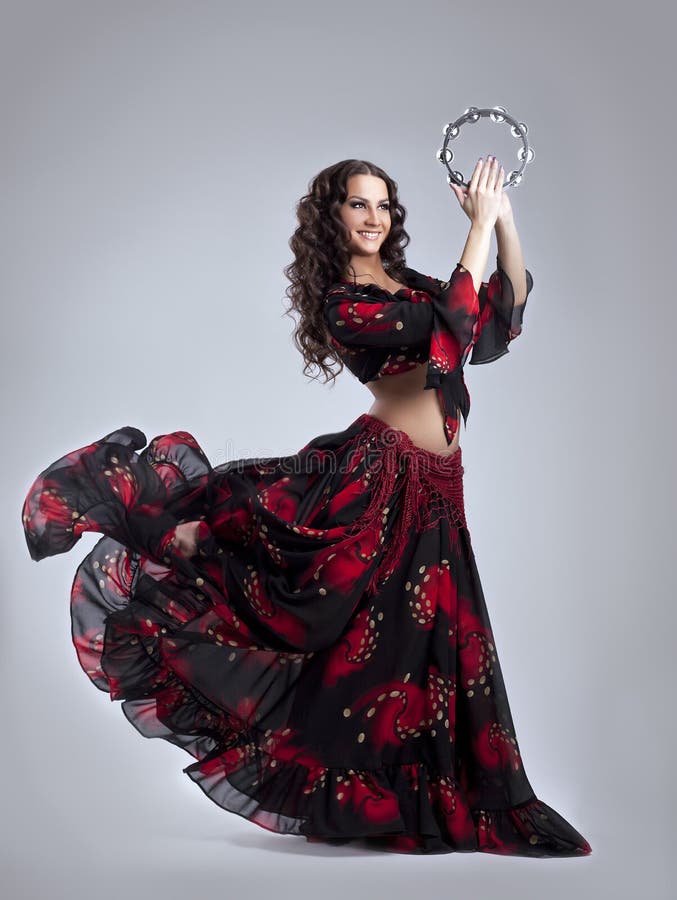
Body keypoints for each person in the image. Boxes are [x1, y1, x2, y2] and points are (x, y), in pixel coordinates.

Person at [20, 157, 592, 857]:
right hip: (378, 478)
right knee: (342, 620)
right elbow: (448, 330)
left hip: (439, 484)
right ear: (333, 217)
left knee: (426, 644)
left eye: (383, 205)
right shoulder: (343, 301)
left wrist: (501, 219)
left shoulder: (407, 283)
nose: (374, 218)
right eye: (358, 205)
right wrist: (473, 229)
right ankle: (193, 540)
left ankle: (413, 798)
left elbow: (493, 324)